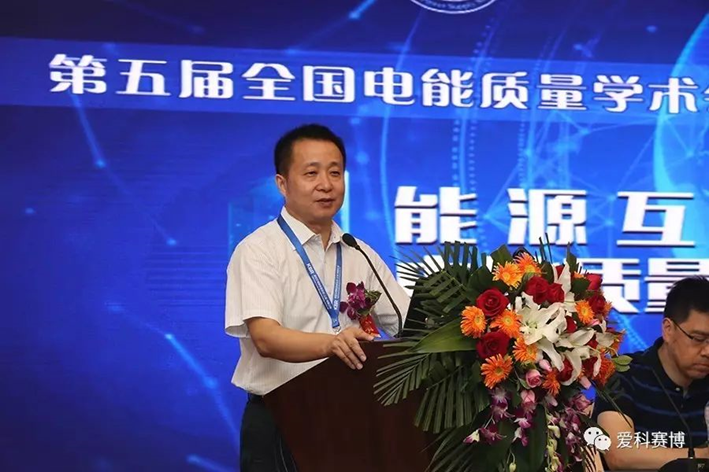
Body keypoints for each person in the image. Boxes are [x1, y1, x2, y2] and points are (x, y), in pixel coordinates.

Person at [224, 123, 409, 472]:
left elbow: (407, 322)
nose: (326, 184)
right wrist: (332, 344)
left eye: (335, 173)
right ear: (282, 184)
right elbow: (265, 337)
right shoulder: (259, 250)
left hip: (351, 417)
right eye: (311, 173)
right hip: (282, 418)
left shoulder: (357, 251)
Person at [594, 276, 709, 470]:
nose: (707, 351)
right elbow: (619, 455)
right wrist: (703, 456)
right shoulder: (625, 373)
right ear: (668, 329)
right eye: (698, 338)